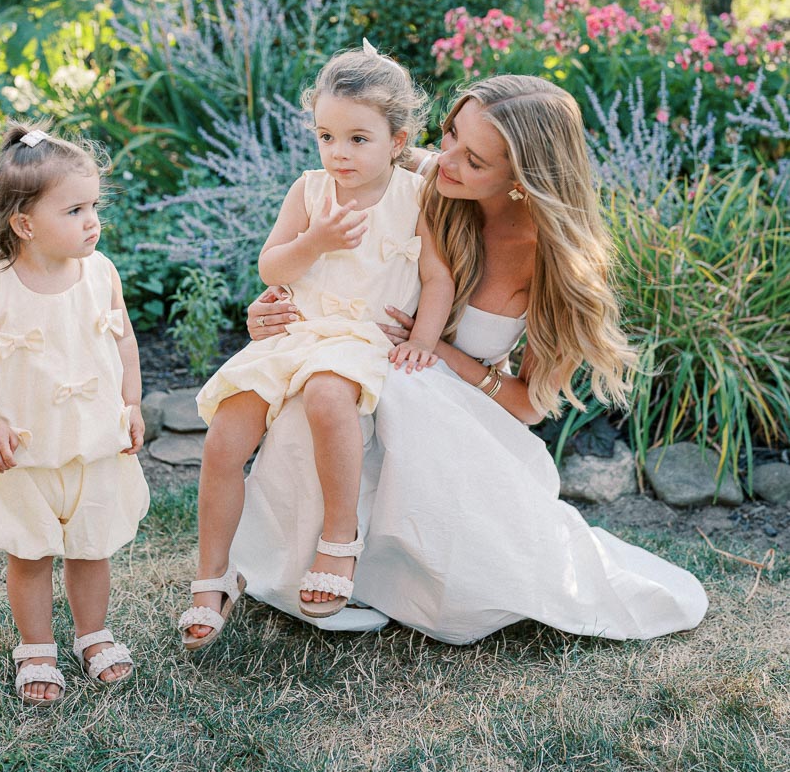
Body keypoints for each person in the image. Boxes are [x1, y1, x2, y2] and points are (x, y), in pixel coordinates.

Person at [234, 74, 708, 643]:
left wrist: (439, 353)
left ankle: (384, 568)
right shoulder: (413, 178)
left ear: (521, 180)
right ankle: (325, 559)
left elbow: (531, 406)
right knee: (330, 387)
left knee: (381, 388)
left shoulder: (552, 260)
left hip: (460, 420)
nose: (445, 160)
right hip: (357, 375)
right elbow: (319, 265)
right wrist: (270, 314)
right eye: (450, 134)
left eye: (474, 160)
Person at [179, 45, 455, 650]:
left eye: (359, 139)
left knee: (329, 397)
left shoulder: (417, 196)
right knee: (228, 429)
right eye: (327, 136)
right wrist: (316, 240)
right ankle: (212, 576)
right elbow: (271, 263)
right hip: (297, 331)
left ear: (397, 139)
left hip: (359, 336)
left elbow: (438, 279)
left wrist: (424, 341)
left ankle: (339, 540)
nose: (339, 153)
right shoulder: (309, 192)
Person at [0, 124, 149, 705]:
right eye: (75, 210)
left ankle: (93, 633)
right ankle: (36, 645)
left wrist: (130, 404)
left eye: (94, 206)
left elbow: (125, 343)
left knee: (92, 546)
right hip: (25, 450)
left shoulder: (101, 274)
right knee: (30, 551)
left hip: (92, 442)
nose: (93, 221)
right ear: (25, 224)